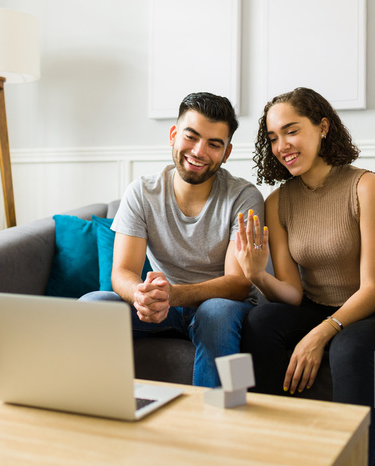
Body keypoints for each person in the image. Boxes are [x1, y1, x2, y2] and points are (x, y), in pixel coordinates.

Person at [235, 87, 375, 465]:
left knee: (348, 348)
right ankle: (272, 450)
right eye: (272, 137)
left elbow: (374, 288)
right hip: (315, 306)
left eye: (291, 130)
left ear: (322, 127)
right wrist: (257, 275)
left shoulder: (365, 186)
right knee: (260, 320)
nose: (282, 145)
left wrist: (321, 334)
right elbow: (292, 295)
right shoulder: (278, 202)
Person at [80, 92, 264, 388]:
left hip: (223, 307)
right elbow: (123, 272)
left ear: (226, 153)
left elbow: (238, 284)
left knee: (216, 312)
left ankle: (223, 420)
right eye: (191, 137)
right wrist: (142, 295)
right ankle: (100, 413)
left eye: (214, 144)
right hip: (162, 308)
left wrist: (171, 295)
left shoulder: (243, 197)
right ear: (173, 135)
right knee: (93, 303)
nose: (199, 151)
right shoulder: (142, 192)